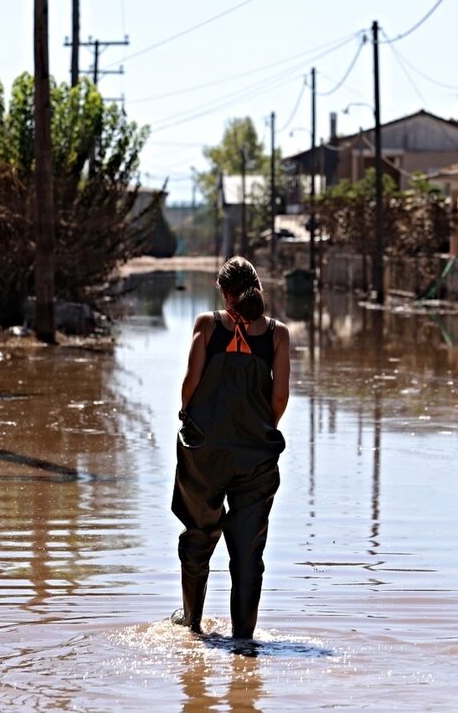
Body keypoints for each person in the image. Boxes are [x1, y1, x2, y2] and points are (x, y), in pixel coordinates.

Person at [172, 257, 291, 640]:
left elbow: (190, 383)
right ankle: (243, 641)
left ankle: (191, 625)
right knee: (248, 551)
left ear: (223, 291)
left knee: (198, 537)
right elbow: (280, 397)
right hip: (256, 456)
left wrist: (186, 416)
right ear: (256, 287)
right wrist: (260, 431)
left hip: (205, 453)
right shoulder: (277, 334)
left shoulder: (207, 325)